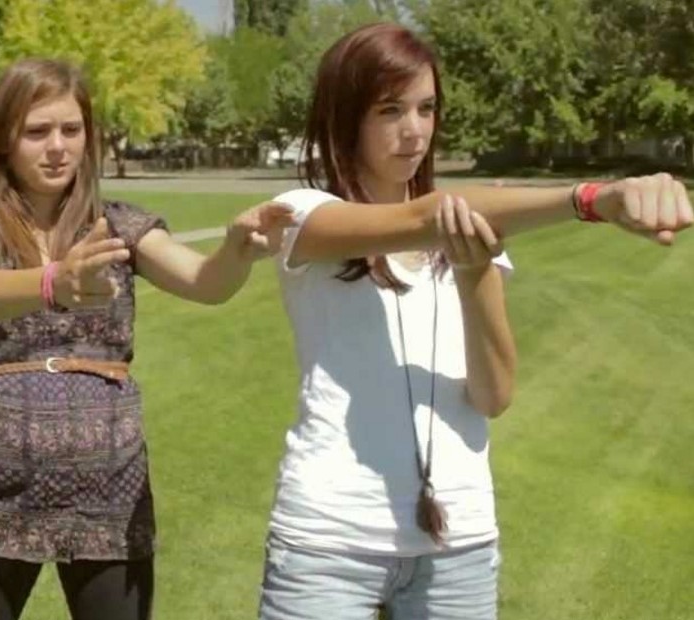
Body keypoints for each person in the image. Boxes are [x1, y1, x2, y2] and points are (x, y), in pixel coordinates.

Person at [257, 22, 692, 620]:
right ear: (345, 117)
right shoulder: (303, 216)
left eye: (426, 108)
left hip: (458, 545)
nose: (415, 129)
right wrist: (593, 199)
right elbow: (428, 216)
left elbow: (493, 395)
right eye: (390, 110)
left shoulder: (470, 237)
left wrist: (472, 273)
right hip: (328, 542)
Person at [0, 58, 293, 620]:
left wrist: (236, 250)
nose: (58, 147)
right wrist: (54, 283)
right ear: (2, 139)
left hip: (109, 495)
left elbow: (205, 282)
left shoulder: (119, 226)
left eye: (71, 130)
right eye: (37, 131)